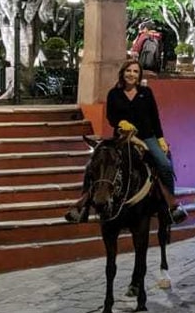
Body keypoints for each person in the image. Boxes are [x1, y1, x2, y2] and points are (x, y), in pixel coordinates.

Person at [65, 60, 188, 224]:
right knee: (95, 163)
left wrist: (160, 138)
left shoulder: (146, 92)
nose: (132, 74)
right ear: (123, 73)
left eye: (135, 72)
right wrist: (120, 123)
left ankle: (171, 206)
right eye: (128, 71)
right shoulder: (114, 94)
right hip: (122, 138)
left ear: (139, 75)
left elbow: (154, 117)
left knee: (164, 165)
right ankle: (83, 205)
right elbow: (111, 116)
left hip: (146, 137)